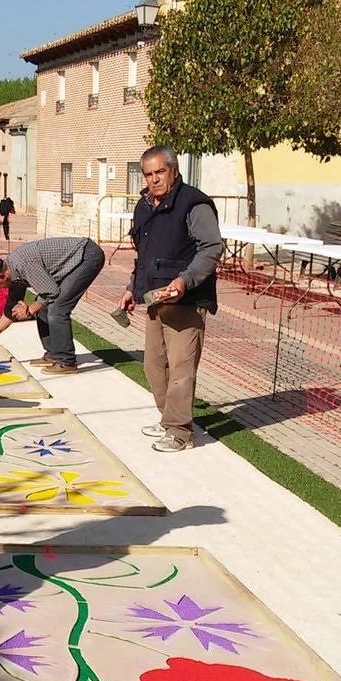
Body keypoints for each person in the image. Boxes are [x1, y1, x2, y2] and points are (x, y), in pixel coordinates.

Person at [118, 145, 224, 452]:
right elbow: (144, 255)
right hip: (154, 298)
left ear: (174, 171)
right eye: (148, 174)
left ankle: (180, 431)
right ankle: (169, 418)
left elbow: (212, 248)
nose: (153, 180)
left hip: (187, 301)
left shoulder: (193, 204)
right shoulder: (144, 206)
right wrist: (131, 288)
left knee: (181, 368)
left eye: (159, 172)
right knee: (153, 365)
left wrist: (185, 280)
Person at [0, 237, 105, 374]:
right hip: (74, 259)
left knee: (57, 308)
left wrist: (30, 309)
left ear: (1, 277)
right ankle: (53, 354)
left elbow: (51, 292)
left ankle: (66, 361)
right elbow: (10, 311)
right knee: (43, 306)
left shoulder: (23, 265)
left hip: (86, 256)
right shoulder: (12, 273)